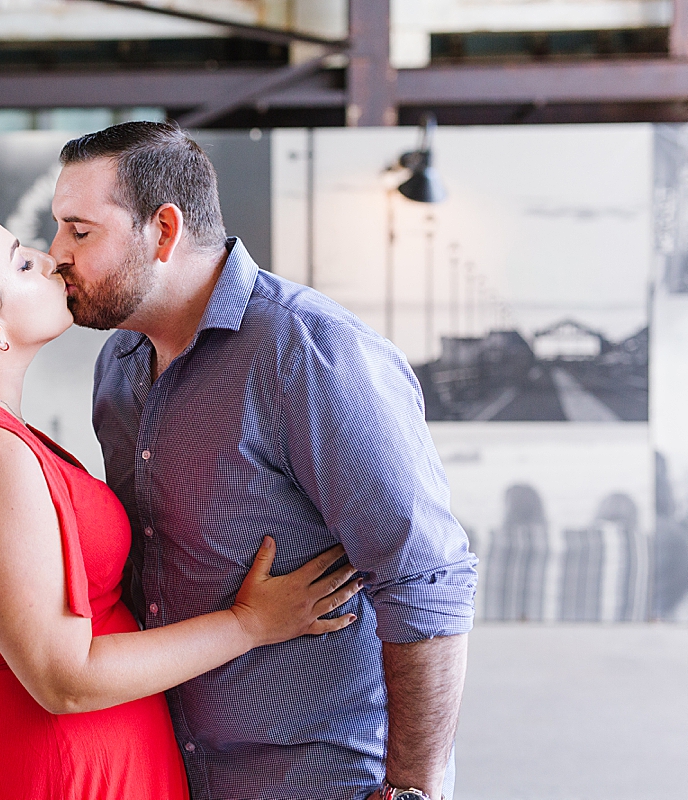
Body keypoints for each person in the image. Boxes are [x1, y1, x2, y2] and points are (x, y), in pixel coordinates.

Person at [0, 194, 364, 800]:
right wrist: (249, 624)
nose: (53, 258)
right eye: (22, 264)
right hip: (56, 772)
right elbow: (65, 679)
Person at [49, 122, 479, 800]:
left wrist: (415, 790)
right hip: (175, 770)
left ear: (163, 231)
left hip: (325, 779)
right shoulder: (118, 366)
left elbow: (426, 574)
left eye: (80, 231)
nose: (56, 256)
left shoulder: (307, 351)